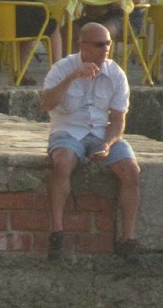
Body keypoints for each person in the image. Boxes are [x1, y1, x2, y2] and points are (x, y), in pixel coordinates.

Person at [41, 22, 141, 261]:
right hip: (68, 129)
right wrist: (73, 77)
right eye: (99, 45)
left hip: (100, 131)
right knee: (62, 163)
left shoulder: (116, 73)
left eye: (108, 44)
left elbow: (118, 120)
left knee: (131, 171)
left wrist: (108, 143)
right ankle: (57, 232)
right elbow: (46, 104)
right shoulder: (62, 68)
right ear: (82, 45)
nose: (105, 49)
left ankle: (128, 238)